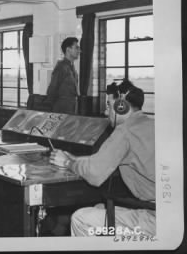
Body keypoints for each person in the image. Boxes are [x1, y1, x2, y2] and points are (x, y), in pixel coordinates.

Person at [50, 79, 155, 236]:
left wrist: (66, 162)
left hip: (157, 219)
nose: (106, 112)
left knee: (81, 219)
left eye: (108, 105)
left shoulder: (124, 131)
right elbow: (99, 161)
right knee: (99, 208)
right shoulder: (150, 124)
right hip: (171, 210)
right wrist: (74, 159)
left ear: (121, 107)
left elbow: (95, 174)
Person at [46, 37, 81, 114]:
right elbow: (51, 91)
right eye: (76, 48)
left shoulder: (72, 68)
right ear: (68, 49)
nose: (79, 51)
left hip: (72, 109)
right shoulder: (61, 67)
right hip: (61, 111)